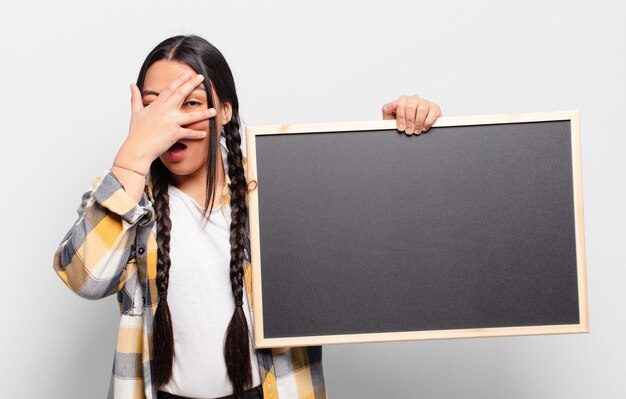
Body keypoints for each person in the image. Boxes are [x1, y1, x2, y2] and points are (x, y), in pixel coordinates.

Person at [52, 34, 442, 399]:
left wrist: (403, 135)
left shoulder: (279, 188)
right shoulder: (125, 193)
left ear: (223, 110)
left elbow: (378, 244)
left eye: (189, 103)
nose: (172, 124)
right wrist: (134, 155)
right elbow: (85, 278)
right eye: (156, 107)